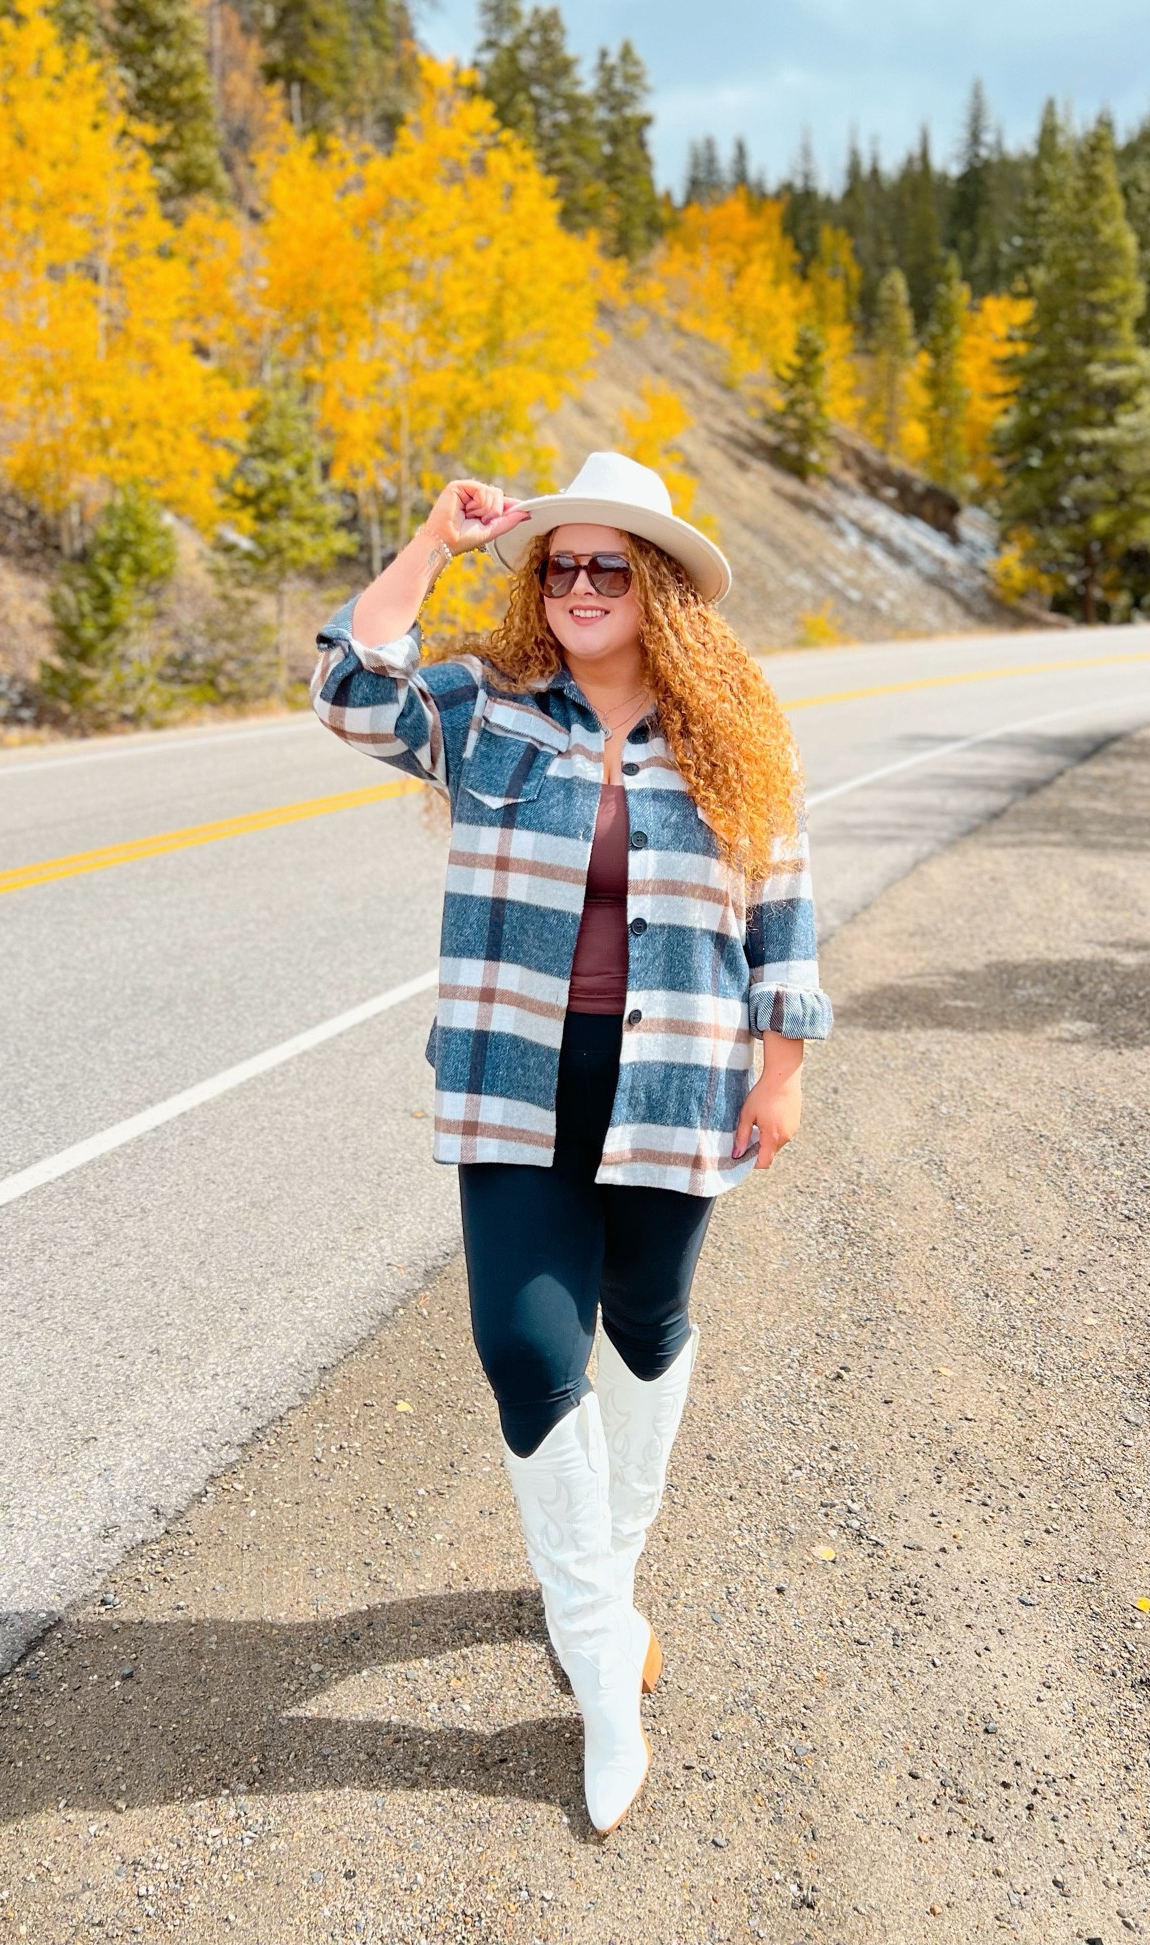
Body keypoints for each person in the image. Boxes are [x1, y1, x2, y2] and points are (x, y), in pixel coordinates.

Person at [311, 451, 831, 1834]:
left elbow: (781, 907)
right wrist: (430, 540)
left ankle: (608, 1554)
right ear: (539, 584)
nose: (584, 587)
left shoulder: (732, 730)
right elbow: (348, 689)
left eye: (611, 565)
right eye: (562, 565)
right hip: (511, 1078)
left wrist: (780, 1072)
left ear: (655, 585)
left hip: (679, 1078)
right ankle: (602, 1664)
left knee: (646, 1319)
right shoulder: (487, 711)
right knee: (529, 1346)